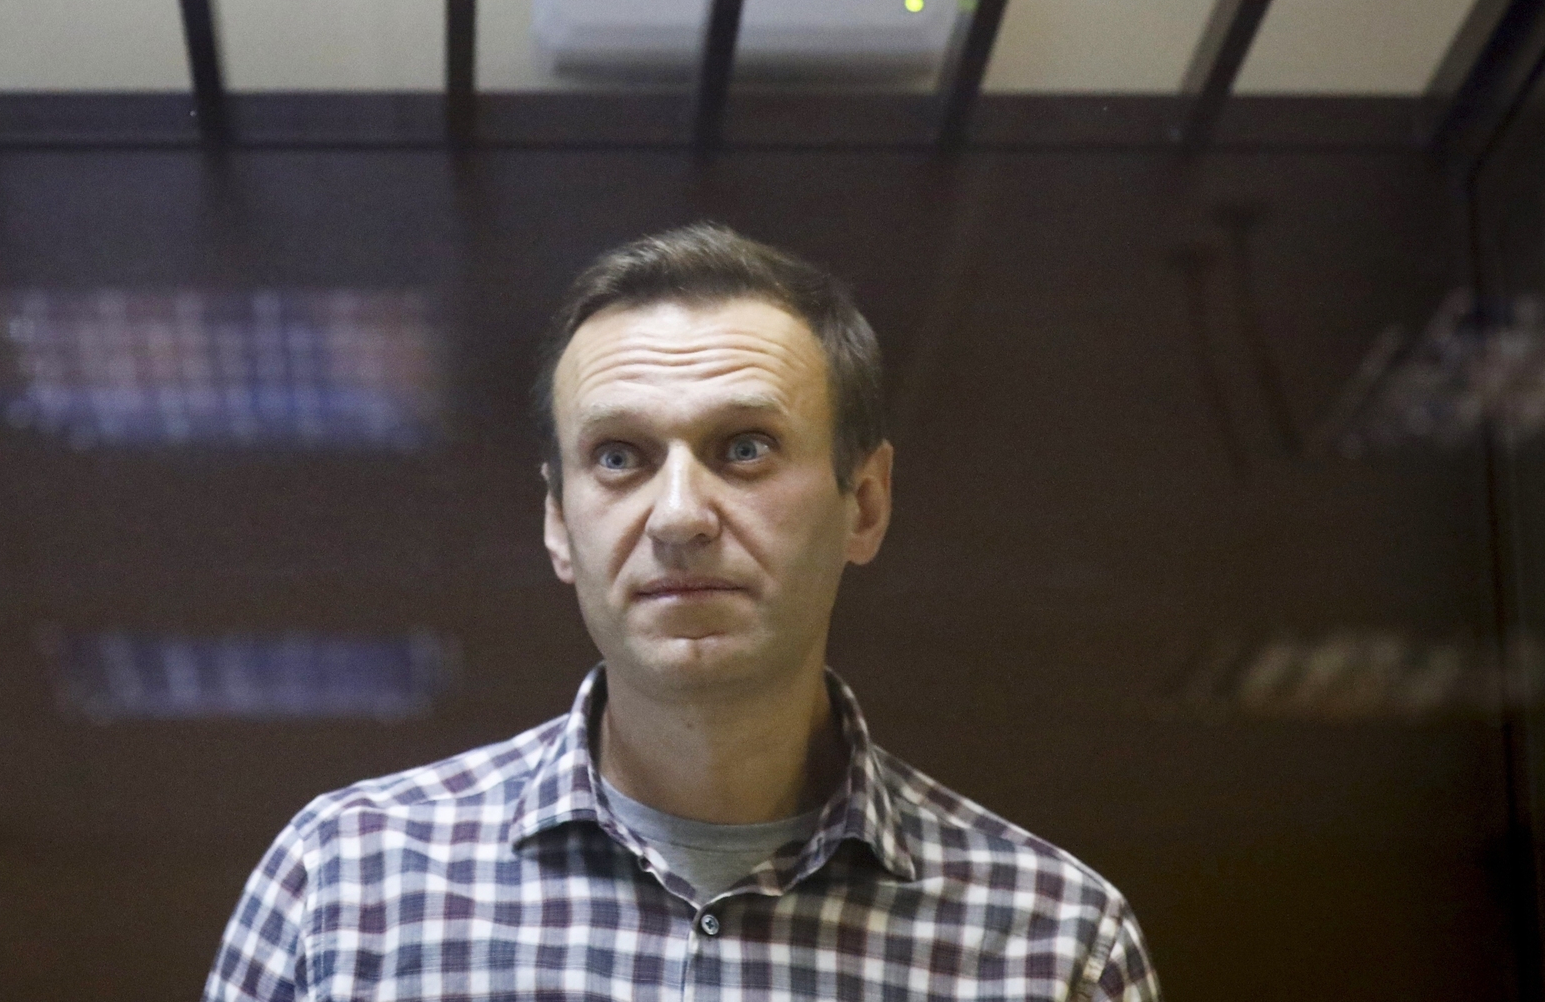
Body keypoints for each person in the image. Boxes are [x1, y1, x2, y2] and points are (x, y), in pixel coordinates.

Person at [205, 223, 1159, 1000]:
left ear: (864, 504)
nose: (677, 517)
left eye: (744, 448)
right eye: (618, 456)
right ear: (558, 523)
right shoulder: (347, 883)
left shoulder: (1052, 942)